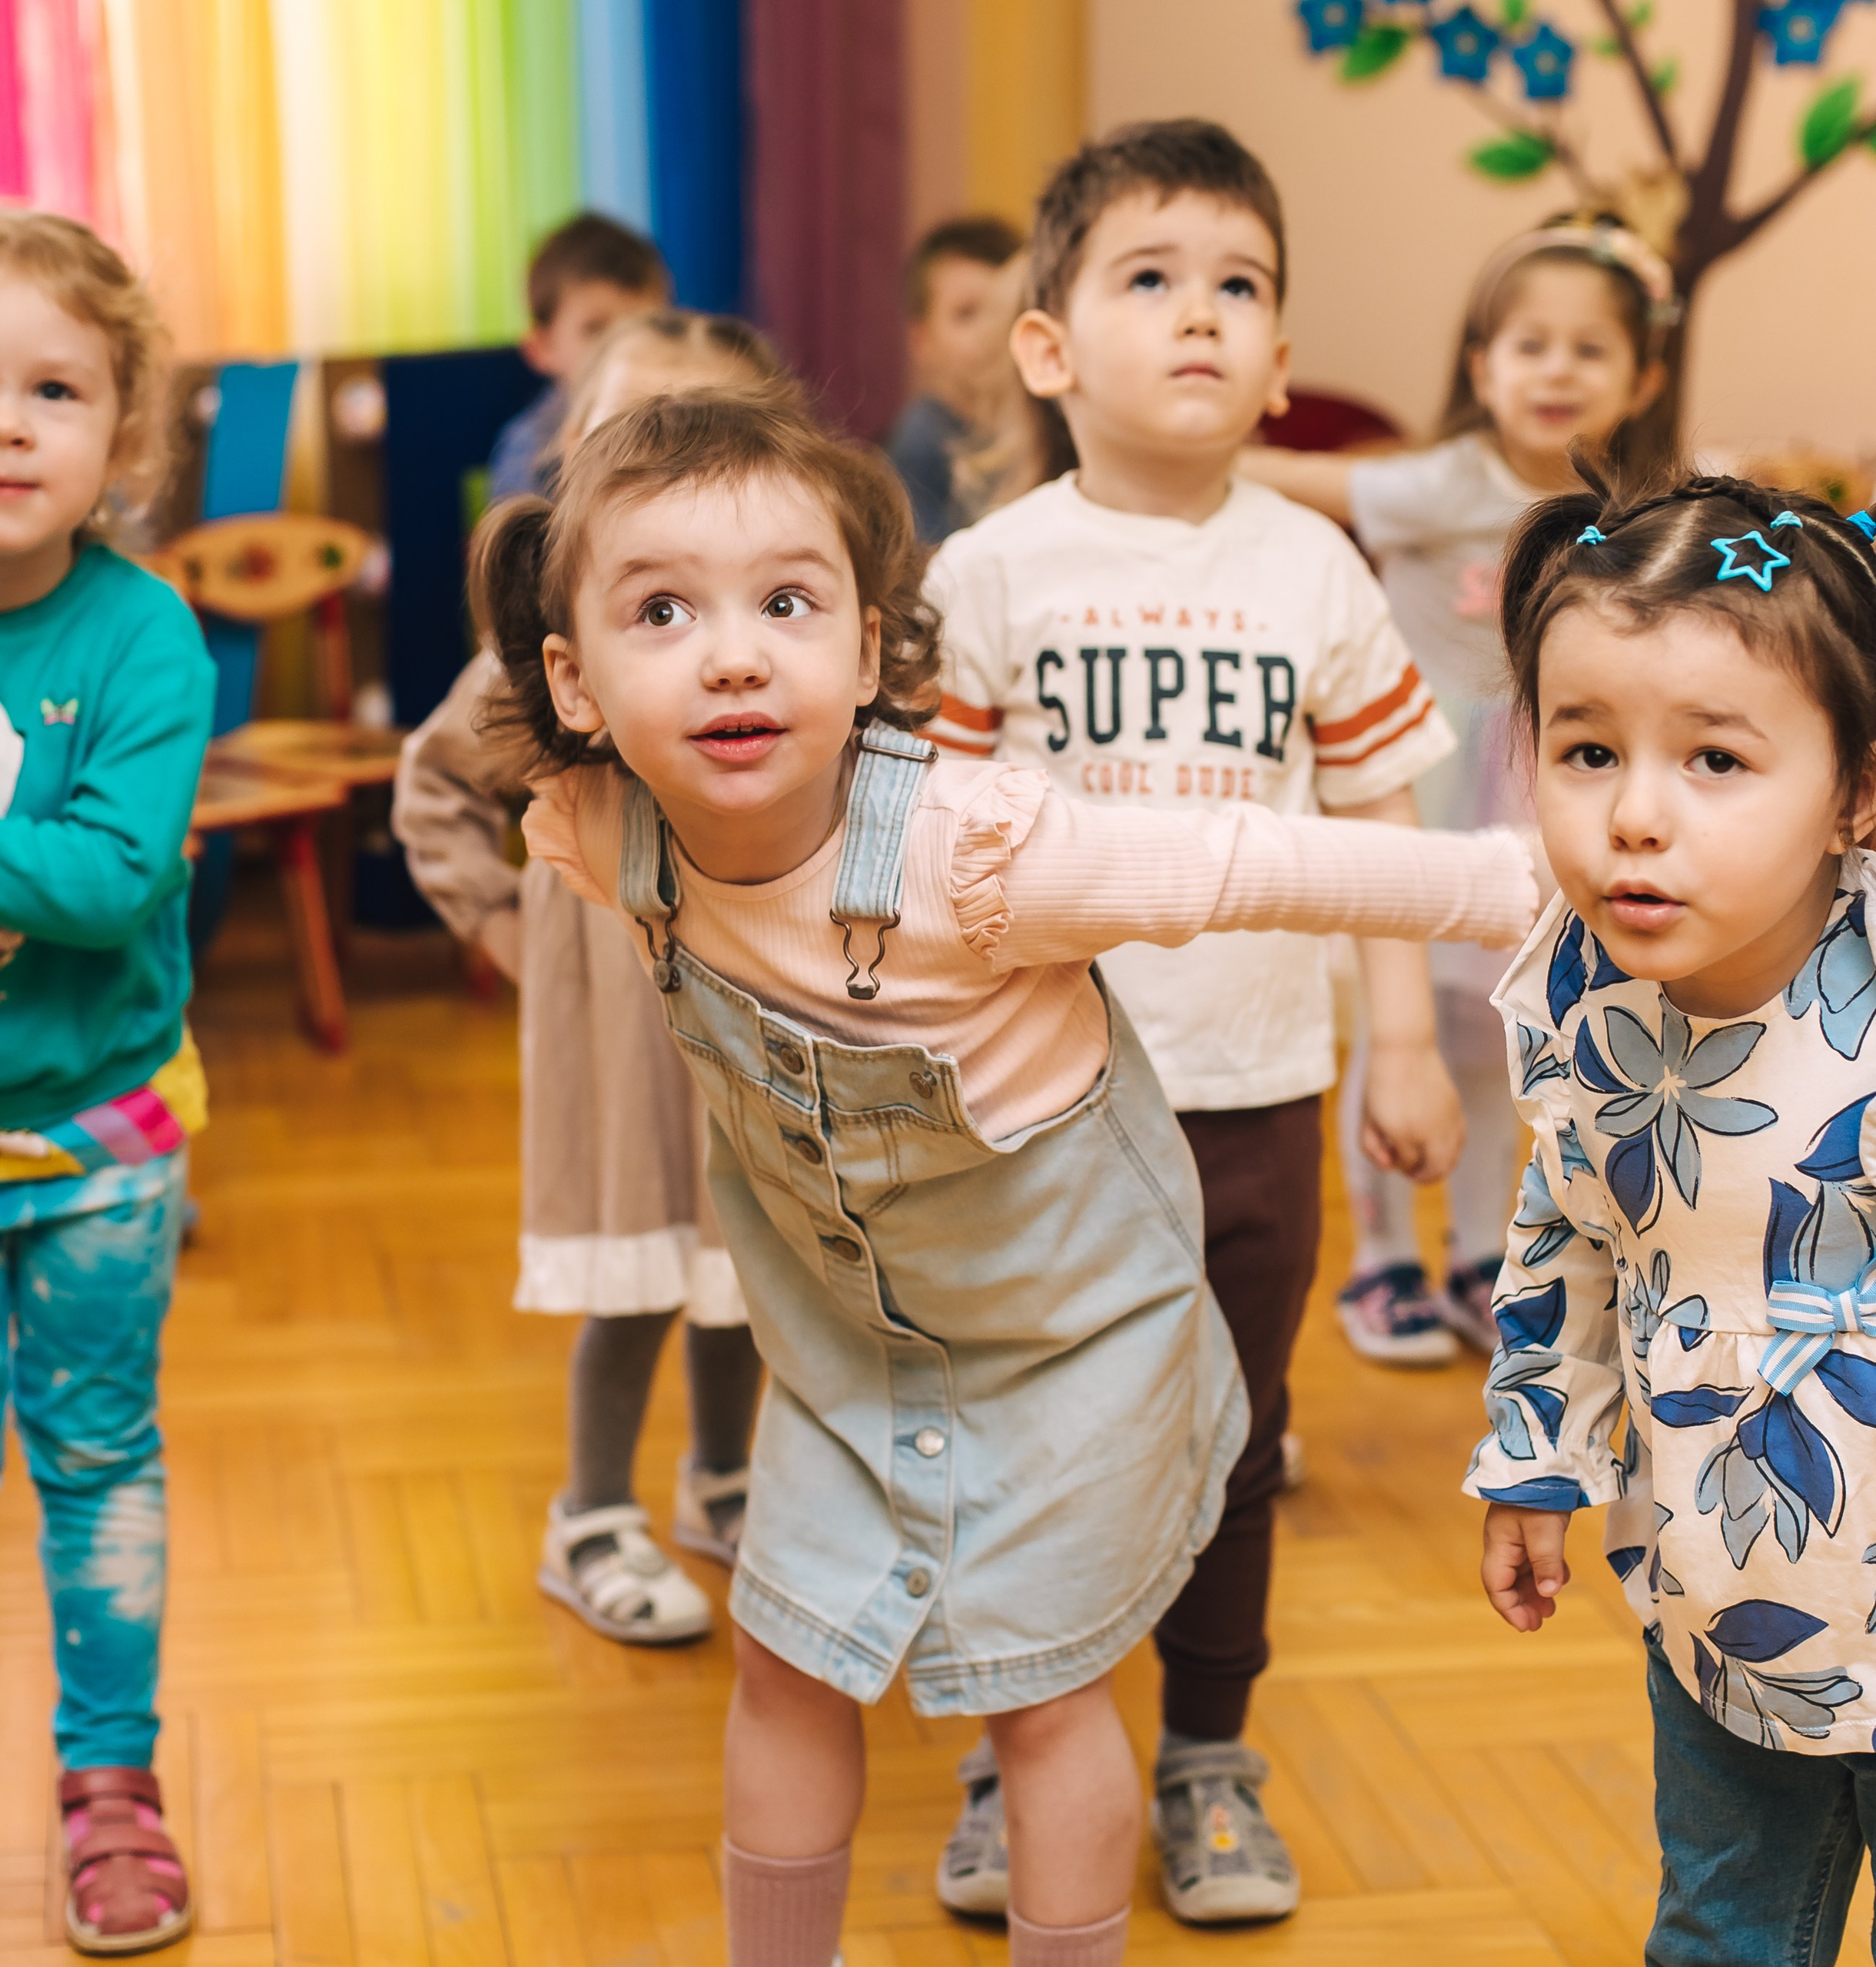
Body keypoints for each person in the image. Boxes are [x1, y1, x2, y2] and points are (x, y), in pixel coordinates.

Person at [479, 380, 1537, 1966]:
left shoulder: (980, 853)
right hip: (848, 1350)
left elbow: (1250, 863)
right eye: (660, 612)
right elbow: (459, 756)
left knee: (1042, 1697)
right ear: (575, 679)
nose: (733, 654)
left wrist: (1532, 880)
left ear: (868, 654)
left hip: (1072, 1350)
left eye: (786, 603)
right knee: (784, 1660)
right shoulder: (591, 824)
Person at [922, 118, 1460, 1926]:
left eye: (1237, 285)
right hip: (1029, 1102)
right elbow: (921, 840)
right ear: (1046, 345)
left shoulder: (1312, 570)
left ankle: (1206, 1752)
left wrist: (1398, 1039)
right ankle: (1013, 1744)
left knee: (1233, 1433)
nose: (1200, 314)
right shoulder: (990, 571)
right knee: (1027, 1433)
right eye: (1149, 278)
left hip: (1252, 1087)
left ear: (1279, 358)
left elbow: (1380, 822)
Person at [1466, 458, 1876, 1963]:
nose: (1633, 816)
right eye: (1586, 750)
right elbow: (1564, 1228)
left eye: (1714, 759)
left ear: (1855, 791)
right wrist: (1533, 1456)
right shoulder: (1583, 994)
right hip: (1722, 1595)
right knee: (1718, 1931)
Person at [0, 211, 217, 1959]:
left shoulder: (144, 639)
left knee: (99, 1462)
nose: (5, 424)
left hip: (101, 1149)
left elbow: (108, 880)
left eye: (56, 391)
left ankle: (112, 1789)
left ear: (123, 437)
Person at [397, 313, 786, 1644]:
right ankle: (593, 1513)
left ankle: (723, 1481)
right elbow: (433, 792)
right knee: (634, 1276)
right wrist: (506, 935)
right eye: (633, 432)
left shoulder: (776, 655)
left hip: (756, 1025)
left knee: (743, 1263)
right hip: (617, 1037)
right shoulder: (549, 658)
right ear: (572, 457)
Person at [1239, 216, 1671, 1365]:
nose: (1556, 370)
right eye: (1530, 345)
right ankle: (1380, 1260)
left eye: (1590, 349)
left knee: (1497, 1039)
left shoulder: (1635, 512)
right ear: (1481, 367)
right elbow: (1286, 475)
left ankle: (1482, 1254)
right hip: (1419, 786)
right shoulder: (1438, 483)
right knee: (1403, 1029)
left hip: (1537, 792)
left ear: (1643, 379)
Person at [487, 214, 669, 503]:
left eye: (642, 327)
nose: (623, 348)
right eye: (595, 329)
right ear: (542, 348)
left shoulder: (674, 422)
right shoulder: (531, 450)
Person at [883, 217, 1022, 543]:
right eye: (966, 314)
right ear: (922, 341)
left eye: (1005, 311)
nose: (992, 332)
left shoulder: (1040, 428)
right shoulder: (921, 441)